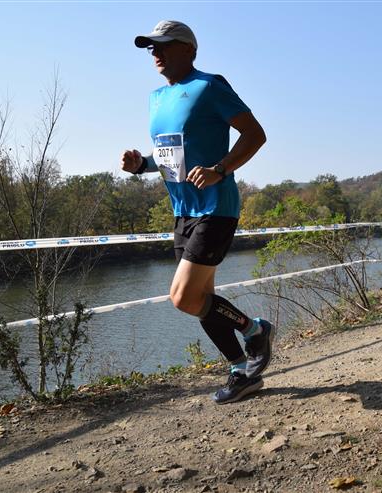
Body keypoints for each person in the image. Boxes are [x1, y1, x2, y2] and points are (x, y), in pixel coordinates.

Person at [121, 20, 272, 404]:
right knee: (204, 300)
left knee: (183, 297)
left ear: (189, 48)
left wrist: (220, 169)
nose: (155, 53)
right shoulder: (157, 97)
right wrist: (142, 165)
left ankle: (255, 330)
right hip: (182, 211)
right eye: (151, 48)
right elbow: (172, 155)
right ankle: (240, 372)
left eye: (163, 45)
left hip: (215, 207)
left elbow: (255, 134)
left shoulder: (209, 86)